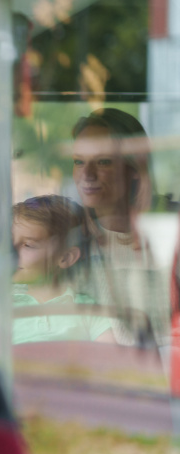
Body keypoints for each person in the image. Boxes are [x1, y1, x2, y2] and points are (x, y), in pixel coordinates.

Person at [71, 108, 169, 345]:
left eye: (103, 161)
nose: (87, 174)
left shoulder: (168, 231)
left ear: (135, 169)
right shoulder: (67, 240)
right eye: (78, 161)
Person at [11, 195, 114, 344]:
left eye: (28, 245)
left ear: (65, 258)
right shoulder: (1, 304)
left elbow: (109, 356)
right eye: (11, 241)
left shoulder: (86, 308)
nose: (12, 251)